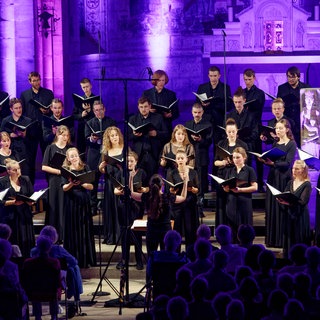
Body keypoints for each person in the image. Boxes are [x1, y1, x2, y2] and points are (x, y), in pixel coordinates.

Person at [130, 174, 188, 255]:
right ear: (162, 185)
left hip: (151, 231)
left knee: (151, 256)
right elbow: (183, 197)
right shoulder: (168, 197)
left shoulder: (146, 196)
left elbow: (132, 194)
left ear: (150, 186)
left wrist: (131, 178)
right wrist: (185, 182)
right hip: (165, 231)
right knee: (165, 257)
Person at [262, 119, 297, 248]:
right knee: (272, 207)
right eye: (277, 128)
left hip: (283, 178)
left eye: (281, 128)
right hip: (273, 177)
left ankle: (281, 240)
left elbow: (288, 163)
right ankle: (272, 239)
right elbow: (272, 157)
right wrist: (265, 159)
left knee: (281, 207)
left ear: (287, 129)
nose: (278, 130)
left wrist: (273, 163)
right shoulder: (276, 143)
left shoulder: (291, 144)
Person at [30, 225, 83, 309]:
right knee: (74, 267)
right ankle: (76, 298)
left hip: (36, 282)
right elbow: (73, 261)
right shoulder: (57, 249)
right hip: (55, 282)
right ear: (54, 237)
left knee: (73, 268)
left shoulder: (33, 251)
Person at [62, 147, 96, 268]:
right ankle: (72, 258)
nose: (74, 158)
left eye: (76, 155)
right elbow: (64, 188)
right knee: (73, 229)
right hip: (71, 203)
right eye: (72, 156)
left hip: (83, 202)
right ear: (68, 158)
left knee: (84, 228)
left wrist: (82, 183)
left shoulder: (85, 168)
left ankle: (86, 258)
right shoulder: (65, 170)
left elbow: (91, 186)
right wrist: (72, 183)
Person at [114, 150, 147, 270]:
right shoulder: (121, 173)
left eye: (132, 161)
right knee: (125, 233)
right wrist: (121, 191)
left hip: (136, 206)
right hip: (123, 205)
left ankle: (139, 260)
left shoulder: (141, 173)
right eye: (127, 161)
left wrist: (143, 189)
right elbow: (115, 190)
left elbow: (147, 188)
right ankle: (124, 260)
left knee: (136, 233)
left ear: (136, 162)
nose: (129, 163)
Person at [20, 71, 54, 180]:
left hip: (45, 129)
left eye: (38, 80)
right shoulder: (25, 95)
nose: (37, 82)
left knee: (48, 157)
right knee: (30, 159)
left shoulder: (48, 93)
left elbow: (53, 110)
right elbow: (23, 113)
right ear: (30, 81)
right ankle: (30, 187)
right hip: (31, 130)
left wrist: (47, 111)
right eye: (34, 81)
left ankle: (50, 184)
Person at [214, 118, 248, 226]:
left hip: (236, 176)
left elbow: (247, 163)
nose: (231, 134)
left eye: (233, 131)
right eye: (229, 132)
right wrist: (223, 162)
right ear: (225, 132)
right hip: (223, 175)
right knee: (222, 203)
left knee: (234, 204)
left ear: (237, 131)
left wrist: (235, 161)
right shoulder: (221, 144)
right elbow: (215, 162)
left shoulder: (243, 145)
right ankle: (222, 230)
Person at [85, 101, 116, 215]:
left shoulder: (111, 122)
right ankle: (93, 206)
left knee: (110, 179)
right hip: (94, 154)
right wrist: (92, 139)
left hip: (108, 153)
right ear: (93, 111)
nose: (99, 112)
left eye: (101, 109)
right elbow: (86, 139)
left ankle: (109, 205)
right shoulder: (89, 123)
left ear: (105, 109)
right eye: (96, 110)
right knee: (93, 180)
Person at [42, 125, 72, 242]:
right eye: (62, 135)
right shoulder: (50, 148)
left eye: (67, 135)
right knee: (54, 206)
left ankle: (64, 235)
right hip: (54, 180)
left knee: (64, 206)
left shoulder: (69, 149)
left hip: (66, 180)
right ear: (57, 134)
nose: (65, 137)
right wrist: (59, 171)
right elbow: (44, 166)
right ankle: (53, 236)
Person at [128, 96, 169, 181]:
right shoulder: (133, 119)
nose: (143, 109)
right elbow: (127, 137)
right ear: (138, 107)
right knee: (139, 179)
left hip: (153, 154)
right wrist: (135, 135)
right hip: (139, 155)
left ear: (150, 106)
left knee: (152, 179)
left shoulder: (158, 117)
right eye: (141, 107)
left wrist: (156, 133)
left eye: (146, 107)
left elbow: (167, 134)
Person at [0, 158, 35, 257]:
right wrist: (13, 202)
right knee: (14, 241)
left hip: (25, 215)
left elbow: (31, 196)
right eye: (15, 170)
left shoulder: (26, 179)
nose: (18, 171)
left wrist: (30, 202)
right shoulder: (3, 182)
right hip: (11, 216)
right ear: (8, 171)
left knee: (26, 243)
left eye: (19, 169)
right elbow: (0, 201)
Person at [277, 160, 312, 258]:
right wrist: (281, 198)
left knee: (298, 237)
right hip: (289, 214)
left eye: (296, 169)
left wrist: (288, 202)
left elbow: (302, 201)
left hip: (300, 215)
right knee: (290, 236)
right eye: (293, 168)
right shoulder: (290, 182)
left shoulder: (307, 184)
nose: (294, 170)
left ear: (302, 170)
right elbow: (285, 194)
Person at [21, 235, 61, 320]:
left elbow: (24, 280)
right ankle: (54, 316)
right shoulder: (54, 262)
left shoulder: (28, 262)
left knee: (35, 290)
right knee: (54, 290)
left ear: (37, 246)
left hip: (33, 292)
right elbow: (57, 281)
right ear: (50, 247)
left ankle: (37, 317)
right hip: (51, 292)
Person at [222, 147, 258, 241]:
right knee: (232, 226)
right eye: (234, 158)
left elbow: (255, 187)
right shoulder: (230, 170)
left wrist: (240, 190)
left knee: (245, 226)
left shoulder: (249, 170)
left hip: (244, 201)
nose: (235, 160)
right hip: (231, 201)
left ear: (244, 157)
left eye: (238, 157)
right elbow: (226, 189)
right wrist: (226, 188)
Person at [166, 149, 199, 249]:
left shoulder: (193, 172)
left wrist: (193, 189)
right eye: (178, 158)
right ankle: (176, 252)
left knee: (189, 229)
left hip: (190, 202)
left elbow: (197, 189)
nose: (180, 160)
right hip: (177, 203)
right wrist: (173, 190)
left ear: (186, 160)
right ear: (176, 160)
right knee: (177, 228)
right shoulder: (172, 173)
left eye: (182, 158)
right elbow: (170, 190)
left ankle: (190, 252)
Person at [99, 126, 123, 244]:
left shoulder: (125, 149)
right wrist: (101, 168)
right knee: (110, 209)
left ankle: (121, 236)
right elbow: (103, 170)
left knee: (120, 209)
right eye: (112, 136)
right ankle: (112, 236)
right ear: (108, 138)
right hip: (110, 183)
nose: (115, 137)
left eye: (116, 135)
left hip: (121, 183)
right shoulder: (106, 151)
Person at [196, 65, 232, 143]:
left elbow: (229, 106)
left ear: (219, 76)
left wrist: (214, 104)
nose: (213, 78)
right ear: (208, 76)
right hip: (205, 120)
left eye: (215, 76)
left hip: (219, 120)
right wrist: (202, 105)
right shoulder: (202, 87)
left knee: (218, 144)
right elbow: (197, 104)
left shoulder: (225, 88)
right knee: (203, 144)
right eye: (211, 76)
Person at [0, 98, 34, 181]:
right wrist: (11, 135)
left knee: (25, 177)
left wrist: (25, 134)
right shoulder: (6, 121)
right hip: (11, 153)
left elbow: (33, 138)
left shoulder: (27, 120)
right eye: (16, 108)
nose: (19, 110)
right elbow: (1, 136)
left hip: (25, 153)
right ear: (11, 109)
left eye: (20, 107)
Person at [243, 69, 265, 191]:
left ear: (254, 78)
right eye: (245, 80)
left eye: (249, 79)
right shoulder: (242, 92)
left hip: (256, 125)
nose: (247, 82)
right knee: (247, 156)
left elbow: (259, 108)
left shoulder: (259, 93)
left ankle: (260, 182)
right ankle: (247, 181)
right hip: (245, 126)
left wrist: (248, 106)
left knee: (258, 155)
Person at [184, 103, 213, 200]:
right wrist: (191, 138)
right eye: (195, 112)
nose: (197, 115)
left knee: (201, 178)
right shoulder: (188, 124)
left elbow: (209, 141)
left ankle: (200, 201)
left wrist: (201, 140)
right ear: (192, 113)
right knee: (191, 177)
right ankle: (191, 198)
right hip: (190, 155)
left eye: (199, 112)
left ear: (202, 112)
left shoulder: (208, 124)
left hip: (202, 154)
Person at [277, 66, 310, 146]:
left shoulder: (306, 87)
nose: (290, 79)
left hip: (301, 119)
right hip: (287, 118)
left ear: (298, 77)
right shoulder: (282, 88)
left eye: (293, 77)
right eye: (289, 77)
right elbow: (278, 102)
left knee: (301, 143)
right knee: (288, 142)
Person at [143, 69, 179, 134]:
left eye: (163, 80)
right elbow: (140, 111)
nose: (161, 82)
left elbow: (177, 113)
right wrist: (148, 111)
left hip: (166, 127)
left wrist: (171, 115)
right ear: (154, 81)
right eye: (159, 80)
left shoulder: (171, 94)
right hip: (151, 126)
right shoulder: (146, 94)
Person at [226, 87, 259, 156]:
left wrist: (242, 138)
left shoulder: (251, 116)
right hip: (233, 147)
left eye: (240, 102)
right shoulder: (228, 116)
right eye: (235, 102)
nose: (237, 105)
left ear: (244, 100)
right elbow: (224, 132)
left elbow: (255, 133)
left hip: (247, 147)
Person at [72, 78, 95, 154]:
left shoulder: (96, 99)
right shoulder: (79, 100)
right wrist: (81, 115)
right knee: (80, 151)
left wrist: (90, 111)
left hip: (93, 128)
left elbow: (100, 114)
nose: (85, 89)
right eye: (83, 87)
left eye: (87, 86)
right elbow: (74, 116)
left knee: (92, 150)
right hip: (81, 128)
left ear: (91, 86)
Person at [300, 89, 320, 158]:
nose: (308, 101)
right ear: (305, 100)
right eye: (307, 99)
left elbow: (318, 131)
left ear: (313, 100)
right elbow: (301, 128)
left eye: (310, 99)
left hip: (315, 142)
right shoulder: (303, 113)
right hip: (305, 141)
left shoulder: (316, 112)